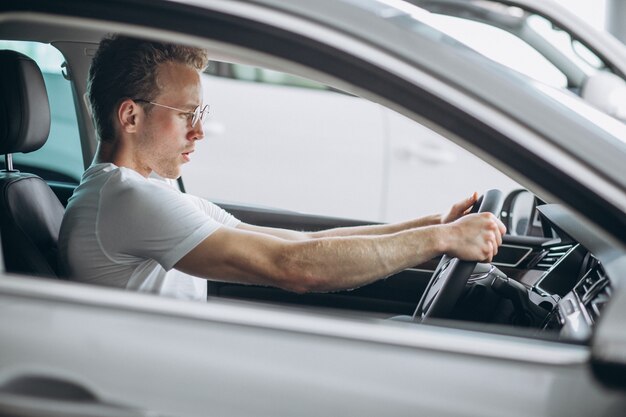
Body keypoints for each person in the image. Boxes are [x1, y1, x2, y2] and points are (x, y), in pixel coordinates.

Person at [58, 35, 506, 301]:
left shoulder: (140, 192)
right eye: (185, 115)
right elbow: (293, 266)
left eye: (201, 113)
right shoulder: (127, 200)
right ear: (131, 117)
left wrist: (432, 227)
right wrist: (441, 240)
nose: (199, 132)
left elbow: (298, 241)